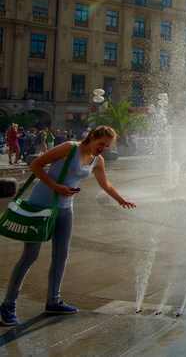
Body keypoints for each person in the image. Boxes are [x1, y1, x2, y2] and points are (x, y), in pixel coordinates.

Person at [0, 126, 136, 326]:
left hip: (65, 208)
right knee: (30, 255)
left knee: (61, 254)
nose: (104, 148)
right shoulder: (69, 148)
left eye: (108, 145)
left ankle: (53, 301)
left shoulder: (97, 160)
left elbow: (105, 183)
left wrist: (121, 200)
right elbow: (36, 165)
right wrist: (56, 187)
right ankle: (8, 305)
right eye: (101, 144)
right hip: (41, 205)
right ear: (91, 138)